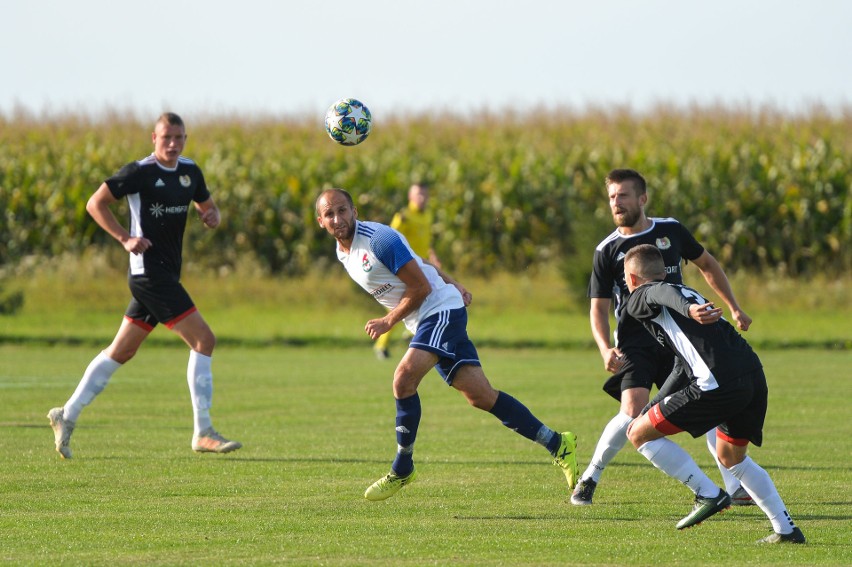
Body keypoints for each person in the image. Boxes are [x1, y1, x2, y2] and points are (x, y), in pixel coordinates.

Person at [315, 188, 578, 501]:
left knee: (403, 379)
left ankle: (402, 468)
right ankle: (557, 443)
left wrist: (390, 321)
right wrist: (455, 282)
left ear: (355, 211)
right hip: (428, 315)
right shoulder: (342, 252)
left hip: (439, 309)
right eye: (329, 214)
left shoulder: (379, 240)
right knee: (481, 396)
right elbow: (420, 261)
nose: (337, 218)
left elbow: (421, 285)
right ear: (321, 222)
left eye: (342, 210)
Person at [47, 112, 241, 459]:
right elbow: (96, 203)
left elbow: (209, 208)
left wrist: (213, 216)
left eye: (179, 138)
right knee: (204, 339)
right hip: (148, 274)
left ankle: (67, 414)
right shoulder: (140, 172)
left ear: (185, 139)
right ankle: (204, 432)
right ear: (154, 138)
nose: (172, 144)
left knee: (121, 351)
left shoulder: (189, 172)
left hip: (167, 274)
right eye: (166, 137)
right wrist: (125, 237)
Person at [573, 168, 753, 506]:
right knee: (632, 411)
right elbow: (598, 307)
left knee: (711, 406)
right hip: (635, 342)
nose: (616, 202)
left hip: (678, 337)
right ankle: (589, 478)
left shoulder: (670, 230)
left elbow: (708, 265)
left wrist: (735, 307)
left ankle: (734, 486)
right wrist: (604, 348)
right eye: (612, 197)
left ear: (642, 199)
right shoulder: (607, 250)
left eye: (623, 195)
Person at [622, 244, 804, 542]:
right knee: (731, 456)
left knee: (637, 434)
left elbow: (656, 293)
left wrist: (688, 309)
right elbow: (682, 366)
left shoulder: (645, 294)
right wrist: (653, 405)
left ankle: (707, 494)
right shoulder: (685, 293)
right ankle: (786, 530)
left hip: (718, 383)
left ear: (631, 277)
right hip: (752, 375)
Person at [373, 183, 441, 360]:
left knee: (427, 298)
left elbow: (427, 239)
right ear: (410, 197)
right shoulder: (403, 217)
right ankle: (384, 343)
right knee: (401, 305)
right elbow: (387, 239)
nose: (422, 198)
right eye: (418, 194)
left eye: (425, 194)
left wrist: (432, 255)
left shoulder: (428, 215)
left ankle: (412, 334)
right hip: (406, 266)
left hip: (423, 265)